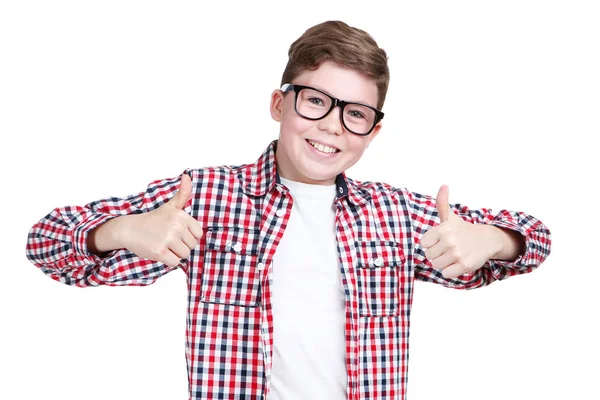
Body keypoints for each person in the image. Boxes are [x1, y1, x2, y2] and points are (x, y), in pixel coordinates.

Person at [25, 20, 552, 400]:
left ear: (373, 131)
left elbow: (536, 238)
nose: (332, 126)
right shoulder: (204, 196)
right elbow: (45, 243)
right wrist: (121, 230)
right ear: (280, 104)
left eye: (356, 114)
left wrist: (494, 241)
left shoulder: (395, 213)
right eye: (315, 101)